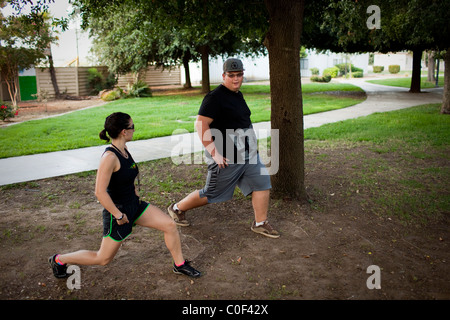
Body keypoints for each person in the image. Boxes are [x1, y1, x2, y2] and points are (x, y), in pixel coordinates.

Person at [49, 112, 201, 279]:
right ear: (124, 131)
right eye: (132, 127)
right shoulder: (109, 157)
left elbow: (126, 174)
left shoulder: (124, 149)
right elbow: (99, 192)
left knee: (169, 225)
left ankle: (179, 264)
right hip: (119, 212)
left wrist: (134, 189)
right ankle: (59, 260)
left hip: (134, 205)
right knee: (102, 258)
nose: (134, 130)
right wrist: (118, 215)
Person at [168, 58, 280, 239]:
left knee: (262, 184)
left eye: (239, 75)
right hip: (226, 157)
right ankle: (177, 208)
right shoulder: (214, 98)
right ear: (224, 75)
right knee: (212, 193)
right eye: (232, 75)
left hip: (248, 155)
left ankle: (260, 223)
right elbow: (200, 124)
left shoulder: (238, 95)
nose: (236, 79)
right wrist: (214, 153)